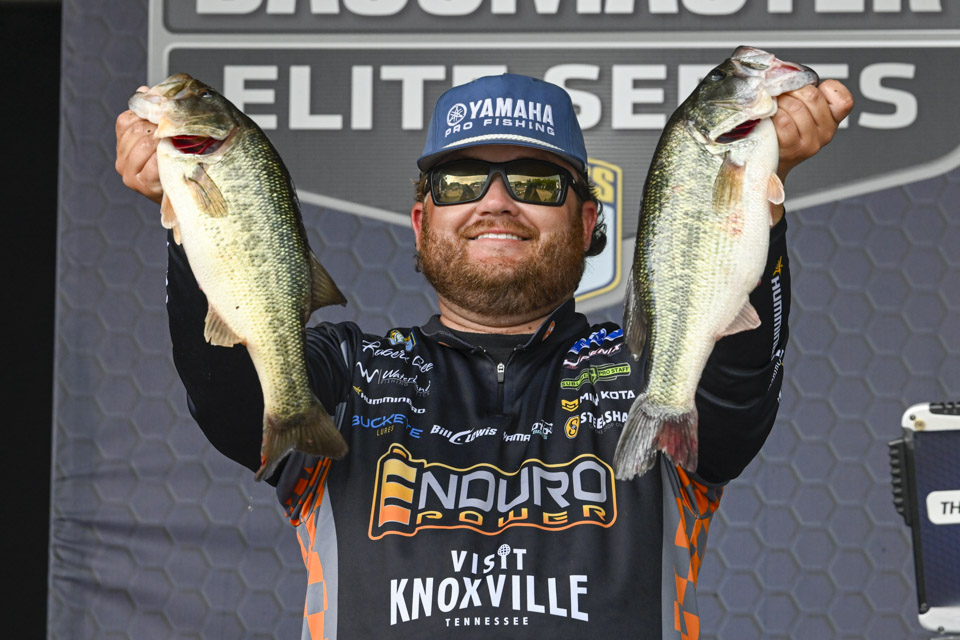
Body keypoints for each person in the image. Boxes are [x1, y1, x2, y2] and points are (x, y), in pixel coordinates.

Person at [116, 72, 853, 638]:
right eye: (462, 181)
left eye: (535, 182)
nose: (496, 202)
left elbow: (733, 403)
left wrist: (754, 190)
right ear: (420, 220)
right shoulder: (342, 375)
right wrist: (189, 212)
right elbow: (230, 403)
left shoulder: (656, 369)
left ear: (587, 222)